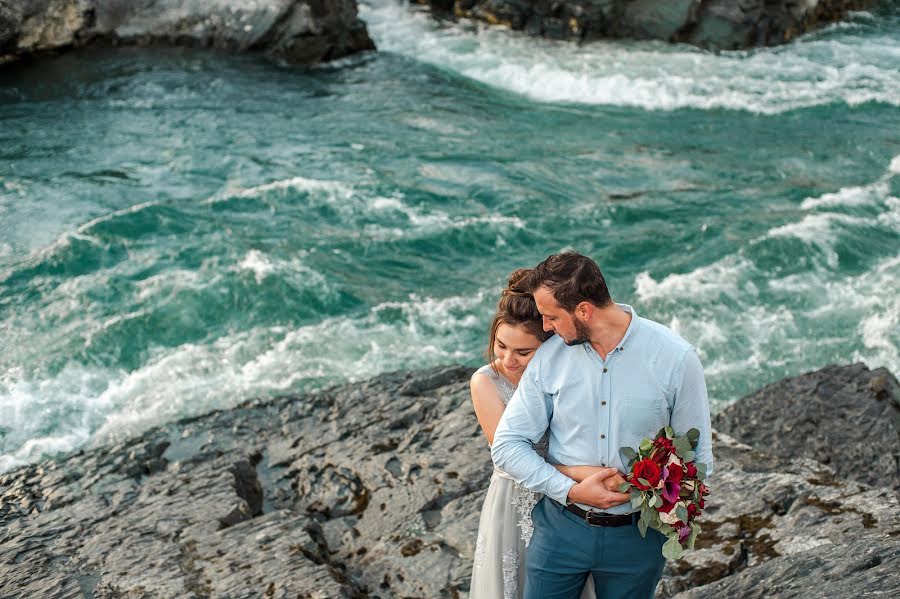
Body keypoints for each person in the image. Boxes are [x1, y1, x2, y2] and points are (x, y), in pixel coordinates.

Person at [491, 251, 714, 599]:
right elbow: (507, 445)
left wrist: (653, 499)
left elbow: (698, 458)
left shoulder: (675, 358)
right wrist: (569, 490)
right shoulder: (550, 358)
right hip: (560, 530)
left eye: (551, 317)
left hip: (638, 541)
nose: (545, 327)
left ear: (583, 310)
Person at [469, 269, 596, 599]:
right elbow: (510, 456)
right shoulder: (486, 381)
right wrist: (580, 477)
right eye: (501, 346)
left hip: (569, 503)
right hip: (514, 503)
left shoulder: (567, 376)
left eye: (523, 352)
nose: (508, 360)